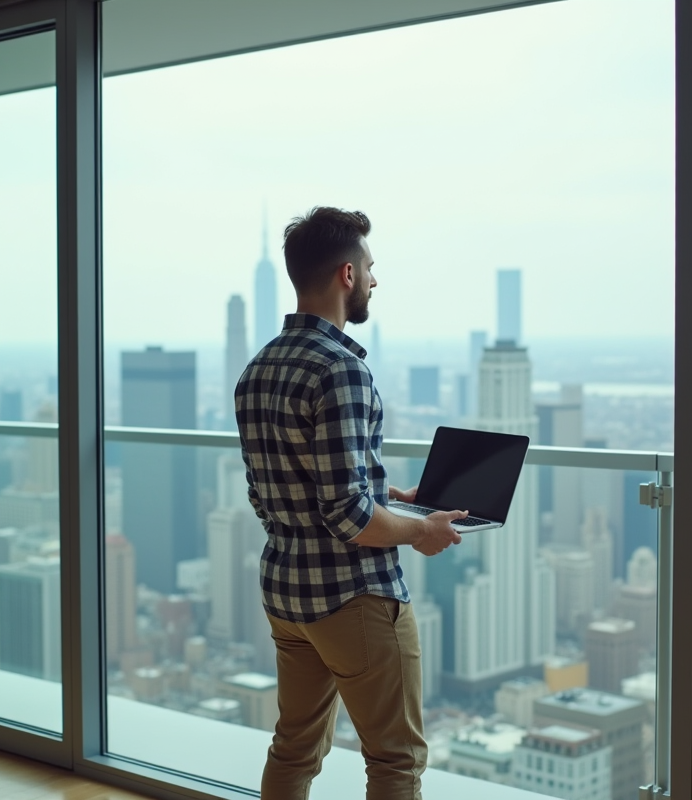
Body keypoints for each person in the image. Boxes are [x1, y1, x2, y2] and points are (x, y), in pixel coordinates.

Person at [234, 206, 466, 800]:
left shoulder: (257, 369)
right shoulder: (341, 370)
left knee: (294, 747)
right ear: (346, 275)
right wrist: (421, 532)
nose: (373, 280)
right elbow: (347, 515)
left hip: (287, 592)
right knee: (395, 759)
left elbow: (278, 486)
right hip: (351, 596)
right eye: (369, 267)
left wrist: (389, 495)